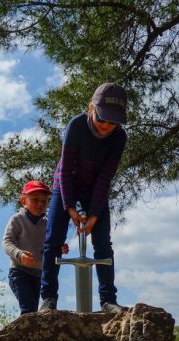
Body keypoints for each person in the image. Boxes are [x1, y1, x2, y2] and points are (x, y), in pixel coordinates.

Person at [40, 82, 128, 314]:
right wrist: (70, 207)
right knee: (53, 241)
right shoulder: (76, 126)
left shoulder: (119, 138)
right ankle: (48, 299)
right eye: (102, 119)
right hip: (66, 182)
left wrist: (95, 214)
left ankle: (108, 300)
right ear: (91, 108)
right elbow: (67, 167)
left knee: (102, 243)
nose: (107, 126)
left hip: (94, 188)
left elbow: (105, 177)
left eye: (114, 122)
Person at [3, 180, 68, 315]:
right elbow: (7, 242)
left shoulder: (47, 224)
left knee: (35, 310)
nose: (40, 204)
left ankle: (32, 334)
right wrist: (19, 254)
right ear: (23, 201)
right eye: (35, 200)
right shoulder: (17, 219)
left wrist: (60, 246)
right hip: (19, 272)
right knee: (28, 309)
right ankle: (25, 335)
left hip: (39, 274)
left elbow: (52, 243)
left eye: (44, 201)